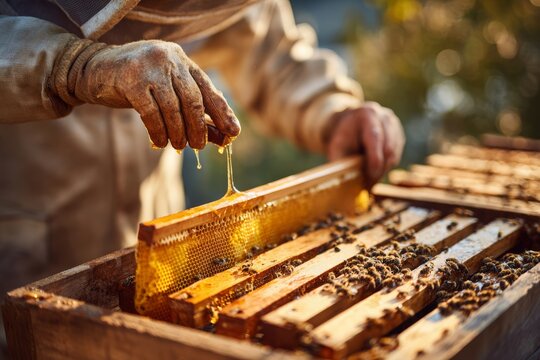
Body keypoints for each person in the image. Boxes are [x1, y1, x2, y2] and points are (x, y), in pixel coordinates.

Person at [0, 0, 404, 345]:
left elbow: (271, 51)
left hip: (152, 221)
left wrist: (334, 113)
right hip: (25, 233)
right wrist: (75, 66)